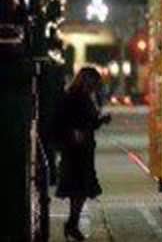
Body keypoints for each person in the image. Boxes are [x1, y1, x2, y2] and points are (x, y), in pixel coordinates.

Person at [54, 67, 111, 241]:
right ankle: (72, 225)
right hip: (75, 150)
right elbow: (69, 121)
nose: (95, 86)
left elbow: (89, 123)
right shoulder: (75, 97)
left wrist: (99, 121)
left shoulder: (81, 96)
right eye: (94, 82)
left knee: (80, 189)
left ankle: (72, 224)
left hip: (82, 149)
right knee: (79, 188)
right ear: (86, 81)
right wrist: (77, 130)